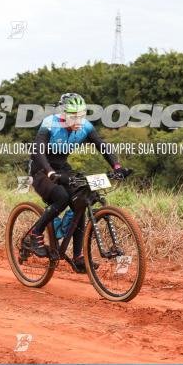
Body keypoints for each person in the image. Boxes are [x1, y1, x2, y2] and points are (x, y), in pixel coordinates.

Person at [23, 93, 129, 273]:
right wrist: (50, 172)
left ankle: (78, 257)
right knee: (62, 197)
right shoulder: (50, 124)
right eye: (74, 116)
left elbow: (101, 145)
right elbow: (37, 152)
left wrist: (117, 166)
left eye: (81, 115)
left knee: (81, 201)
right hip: (41, 169)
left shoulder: (85, 126)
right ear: (63, 114)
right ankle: (35, 233)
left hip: (63, 168)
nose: (78, 119)